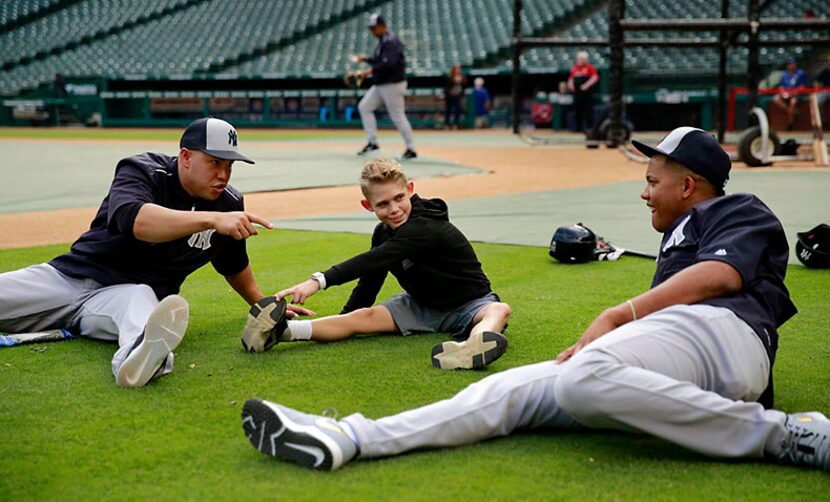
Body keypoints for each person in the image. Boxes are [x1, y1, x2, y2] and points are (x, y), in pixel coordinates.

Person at [240, 127, 830, 474]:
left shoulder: (734, 207)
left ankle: (782, 435)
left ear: (689, 185)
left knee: (580, 377)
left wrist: (617, 316)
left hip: (726, 335)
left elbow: (722, 276)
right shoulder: (676, 231)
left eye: (653, 180)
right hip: (680, 357)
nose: (644, 191)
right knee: (508, 390)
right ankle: (351, 438)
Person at [0, 118, 306, 388]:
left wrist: (263, 305)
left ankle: (141, 361)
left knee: (143, 312)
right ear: (185, 156)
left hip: (126, 298)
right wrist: (211, 219)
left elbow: (233, 264)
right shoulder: (143, 170)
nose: (223, 174)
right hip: (71, 279)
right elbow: (137, 221)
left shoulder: (227, 204)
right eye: (215, 162)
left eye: (229, 165)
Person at [243, 156, 511, 370]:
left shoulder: (426, 226)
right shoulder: (383, 233)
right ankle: (282, 332)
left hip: (471, 303)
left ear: (410, 190)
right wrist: (347, 317)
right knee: (362, 317)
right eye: (382, 204)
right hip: (421, 304)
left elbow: (373, 259)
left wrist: (318, 281)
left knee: (499, 309)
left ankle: (475, 346)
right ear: (367, 205)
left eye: (399, 198)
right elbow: (370, 278)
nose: (394, 209)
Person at [353, 13, 417, 160]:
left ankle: (411, 149)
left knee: (398, 117)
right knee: (364, 107)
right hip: (381, 84)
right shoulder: (383, 41)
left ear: (382, 26)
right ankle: (373, 143)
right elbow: (379, 60)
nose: (372, 31)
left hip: (393, 84)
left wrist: (367, 72)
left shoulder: (391, 41)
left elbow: (388, 64)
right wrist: (366, 59)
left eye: (374, 28)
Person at [567, 51, 599, 137]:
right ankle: (578, 129)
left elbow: (595, 77)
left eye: (581, 58)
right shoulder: (575, 68)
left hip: (587, 94)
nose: (579, 60)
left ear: (585, 59)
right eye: (579, 58)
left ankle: (589, 129)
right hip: (577, 94)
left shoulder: (590, 67)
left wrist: (586, 85)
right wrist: (571, 85)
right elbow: (571, 78)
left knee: (588, 112)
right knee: (577, 112)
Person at [771, 57, 808, 130]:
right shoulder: (784, 74)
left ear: (795, 64)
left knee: (792, 102)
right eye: (790, 64)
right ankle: (795, 112)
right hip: (786, 93)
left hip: (797, 94)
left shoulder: (800, 73)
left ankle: (790, 124)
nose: (791, 65)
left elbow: (803, 87)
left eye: (793, 64)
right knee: (775, 99)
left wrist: (794, 92)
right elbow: (781, 86)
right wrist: (783, 92)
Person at [444, 64, 466, 129]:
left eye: (459, 68)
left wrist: (461, 80)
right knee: (448, 110)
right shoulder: (450, 77)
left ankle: (455, 124)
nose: (458, 70)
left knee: (457, 110)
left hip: (457, 96)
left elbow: (464, 86)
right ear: (453, 69)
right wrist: (454, 81)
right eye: (456, 69)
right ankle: (447, 124)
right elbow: (447, 87)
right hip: (450, 96)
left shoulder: (461, 77)